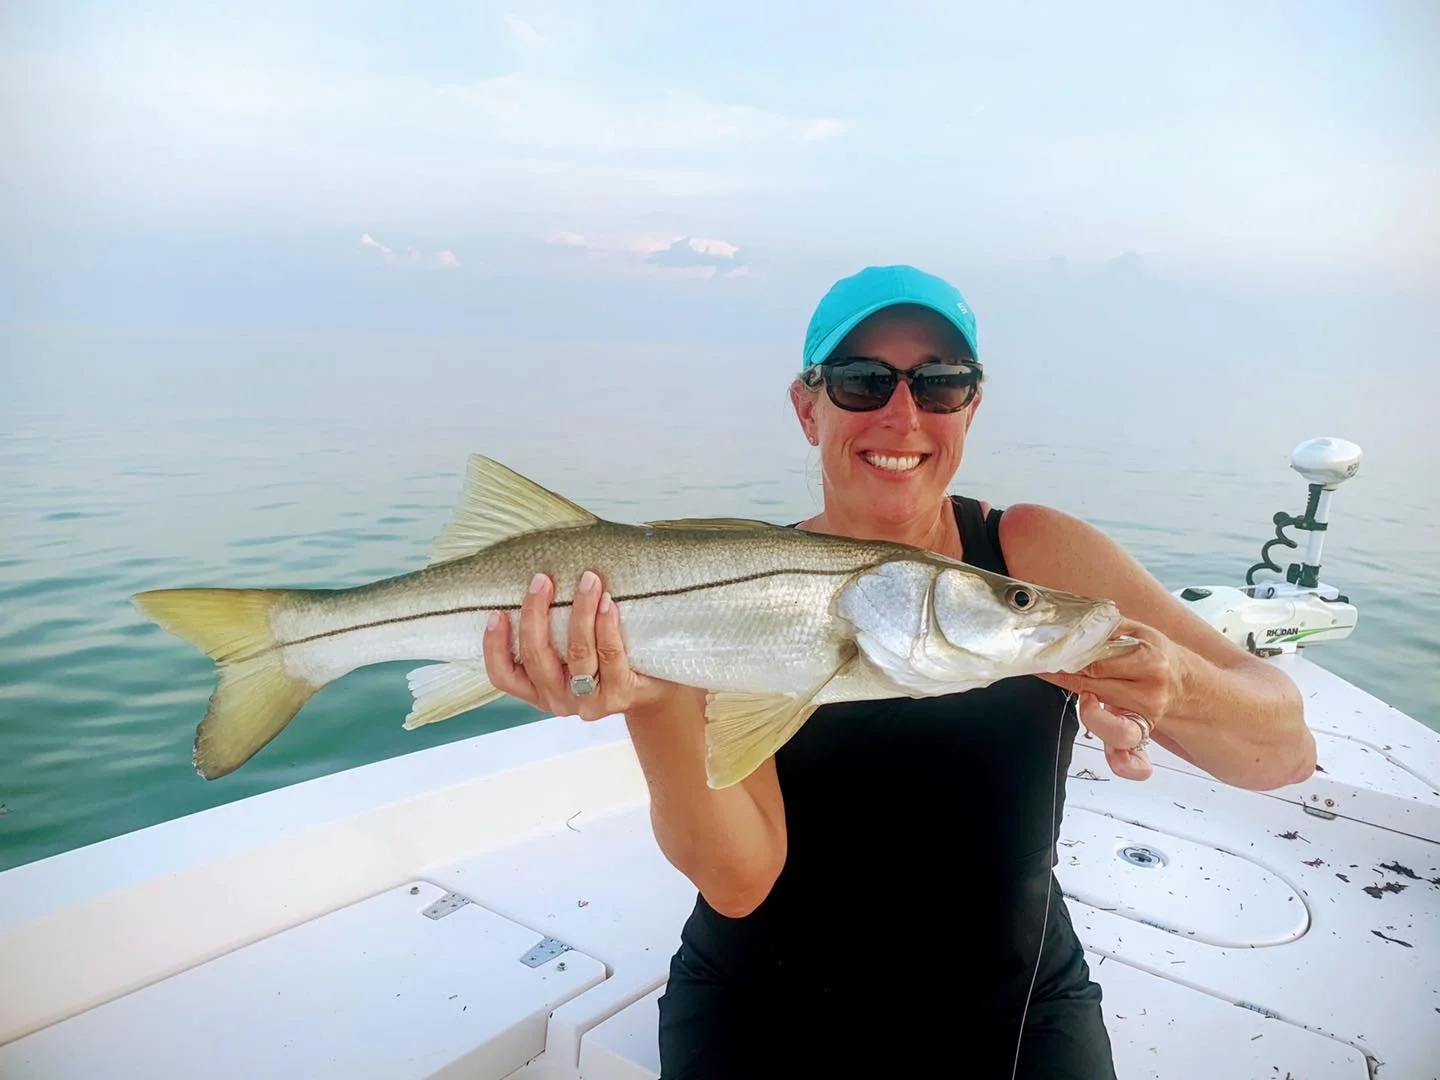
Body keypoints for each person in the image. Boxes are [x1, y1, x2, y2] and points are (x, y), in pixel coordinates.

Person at [481, 265, 1315, 1078]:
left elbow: (1282, 751)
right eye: (860, 380)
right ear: (808, 408)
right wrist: (650, 695)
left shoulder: (1034, 556)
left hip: (1018, 1002)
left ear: (972, 405)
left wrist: (1178, 685)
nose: (903, 413)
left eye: (941, 382)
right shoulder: (729, 589)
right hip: (762, 1005)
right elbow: (738, 883)